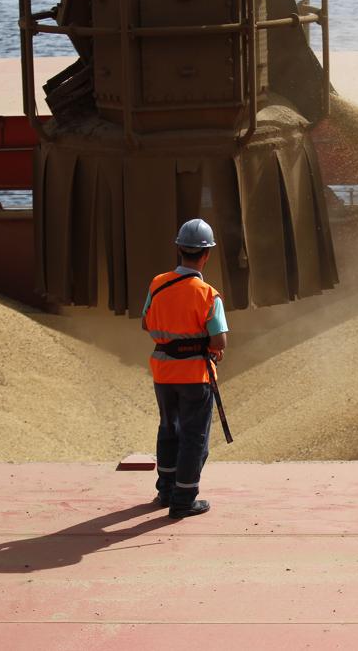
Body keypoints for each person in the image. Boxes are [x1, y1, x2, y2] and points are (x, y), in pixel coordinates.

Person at [141, 218, 229, 519]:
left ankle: (165, 490)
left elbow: (145, 323)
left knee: (169, 428)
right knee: (194, 437)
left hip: (163, 373)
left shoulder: (157, 283)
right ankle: (184, 499)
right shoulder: (208, 295)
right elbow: (220, 340)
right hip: (195, 376)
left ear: (179, 248)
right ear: (206, 255)